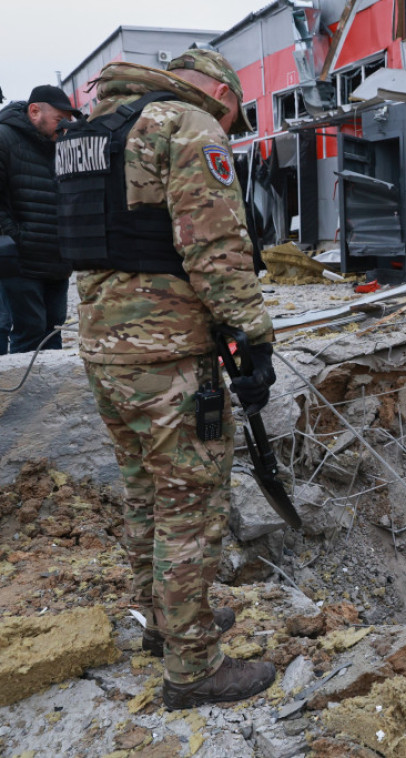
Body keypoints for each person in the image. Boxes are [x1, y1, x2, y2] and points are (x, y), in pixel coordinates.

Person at [54, 49, 277, 710]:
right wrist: (252, 338)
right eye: (232, 110)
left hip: (103, 350)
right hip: (168, 357)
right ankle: (194, 666)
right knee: (191, 505)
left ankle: (165, 623)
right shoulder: (187, 125)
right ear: (216, 89)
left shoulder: (92, 131)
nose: (230, 126)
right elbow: (216, 251)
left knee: (147, 494)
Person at [0, 85, 80, 353]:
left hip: (57, 260)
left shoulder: (61, 146)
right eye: (59, 119)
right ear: (35, 111)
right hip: (21, 261)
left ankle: (53, 396)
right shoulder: (4, 138)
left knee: (53, 333)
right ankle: (19, 396)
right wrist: (16, 238)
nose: (64, 126)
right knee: (28, 333)